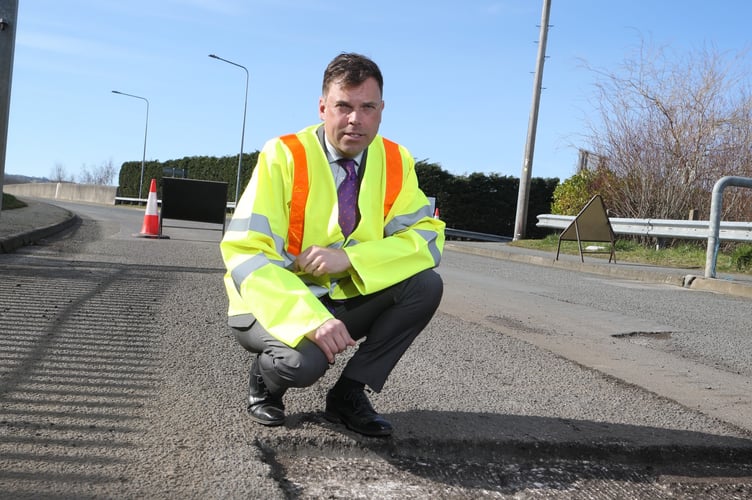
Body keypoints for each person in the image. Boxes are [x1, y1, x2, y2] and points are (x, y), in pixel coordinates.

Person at [220, 52, 445, 437]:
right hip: (270, 302)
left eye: (368, 107)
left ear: (381, 110)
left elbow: (426, 238)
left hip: (338, 294)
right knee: (302, 365)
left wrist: (350, 260)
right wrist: (309, 319)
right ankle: (265, 378)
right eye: (344, 106)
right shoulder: (284, 154)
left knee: (425, 285)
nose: (356, 119)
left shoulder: (395, 159)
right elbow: (246, 252)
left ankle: (347, 396)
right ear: (323, 107)